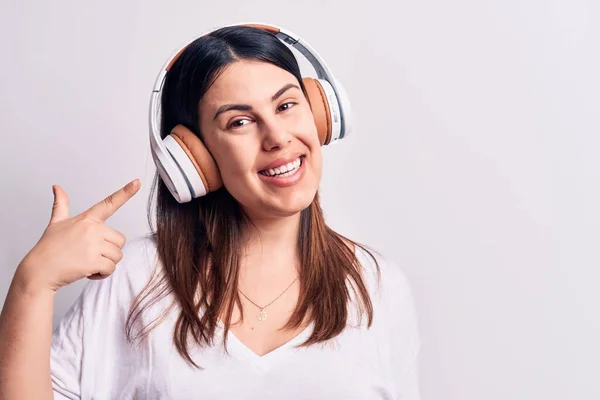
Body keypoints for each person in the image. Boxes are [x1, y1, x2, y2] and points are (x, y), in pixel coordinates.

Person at [0, 23, 420, 399]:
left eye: (287, 105)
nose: (276, 137)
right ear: (195, 159)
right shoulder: (134, 279)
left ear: (322, 114)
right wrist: (32, 285)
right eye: (239, 122)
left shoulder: (377, 286)